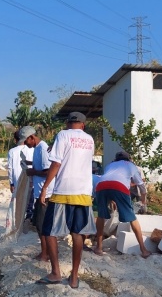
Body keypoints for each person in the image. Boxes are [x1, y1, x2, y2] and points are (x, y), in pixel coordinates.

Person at [36, 112, 96, 288]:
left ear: (68, 123)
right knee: (77, 233)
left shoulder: (63, 135)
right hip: (84, 192)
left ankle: (56, 273)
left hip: (63, 190)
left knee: (49, 231)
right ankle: (74, 277)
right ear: (83, 125)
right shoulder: (90, 140)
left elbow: (56, 163)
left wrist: (45, 187)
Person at [93, 151, 151, 258]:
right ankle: (143, 250)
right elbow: (141, 186)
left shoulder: (110, 165)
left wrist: (112, 199)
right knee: (132, 218)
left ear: (116, 159)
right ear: (128, 159)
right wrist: (143, 202)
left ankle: (99, 247)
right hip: (119, 187)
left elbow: (109, 180)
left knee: (101, 216)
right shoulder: (131, 165)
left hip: (101, 186)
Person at [21, 125, 54, 262]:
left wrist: (33, 172)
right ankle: (45, 252)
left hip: (45, 195)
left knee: (42, 226)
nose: (24, 143)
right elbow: (40, 166)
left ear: (31, 137)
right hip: (40, 193)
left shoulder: (43, 149)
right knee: (40, 225)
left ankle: (45, 254)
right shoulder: (36, 149)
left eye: (25, 141)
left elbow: (49, 171)